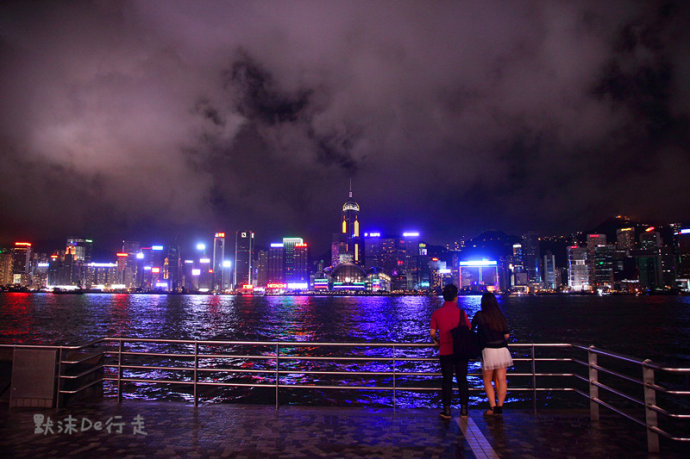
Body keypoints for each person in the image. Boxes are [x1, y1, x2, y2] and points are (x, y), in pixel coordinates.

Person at [430, 283, 471, 419]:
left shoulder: (437, 313)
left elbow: (432, 333)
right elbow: (469, 329)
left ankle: (447, 410)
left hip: (445, 350)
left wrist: (437, 341)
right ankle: (464, 410)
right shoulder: (461, 313)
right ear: (456, 297)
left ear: (444, 297)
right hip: (460, 351)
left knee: (447, 380)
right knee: (462, 380)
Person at [472, 292, 513, 415]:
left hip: (488, 349)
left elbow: (471, 329)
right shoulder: (500, 316)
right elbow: (506, 335)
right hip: (502, 350)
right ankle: (500, 407)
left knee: (487, 380)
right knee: (501, 379)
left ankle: (492, 407)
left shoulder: (480, 315)